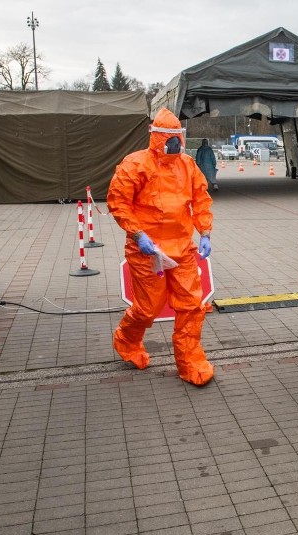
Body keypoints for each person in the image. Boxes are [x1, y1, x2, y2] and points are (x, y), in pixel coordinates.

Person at [107, 107, 215, 387]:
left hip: (182, 249)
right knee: (148, 308)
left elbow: (200, 199)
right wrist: (137, 233)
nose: (174, 143)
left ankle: (191, 361)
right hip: (148, 252)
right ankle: (126, 340)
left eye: (176, 136)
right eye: (167, 137)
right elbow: (119, 201)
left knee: (192, 306)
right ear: (156, 137)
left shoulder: (187, 165)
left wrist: (204, 231)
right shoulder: (135, 164)